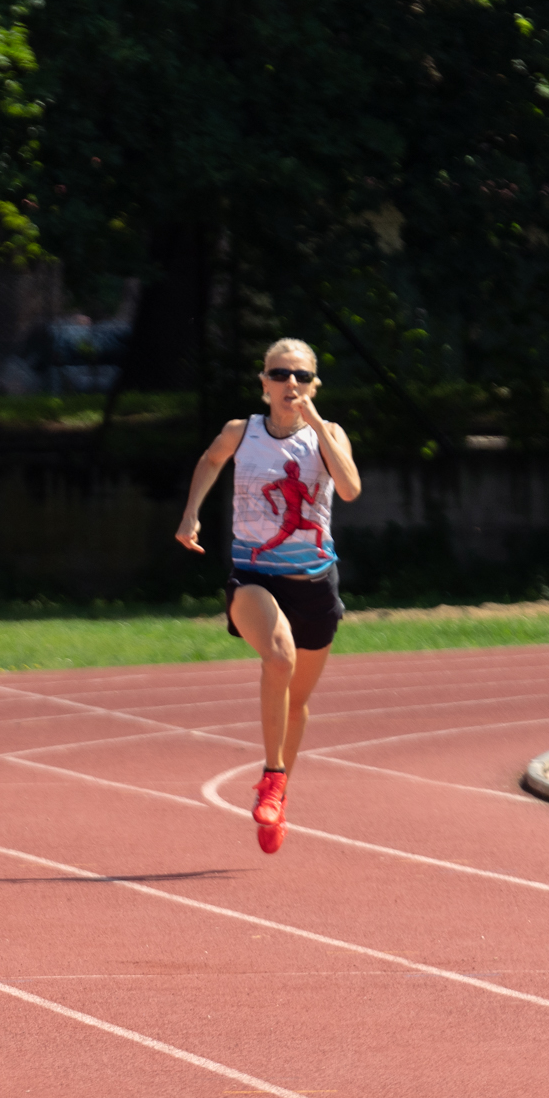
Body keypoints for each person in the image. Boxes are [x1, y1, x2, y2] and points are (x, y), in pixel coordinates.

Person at [173, 336, 364, 852]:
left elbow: (349, 489)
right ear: (264, 384)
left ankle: (279, 796)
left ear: (314, 385)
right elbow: (210, 460)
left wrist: (318, 426)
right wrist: (191, 513)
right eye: (279, 374)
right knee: (278, 657)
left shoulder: (329, 434)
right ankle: (272, 777)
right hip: (254, 577)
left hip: (315, 584)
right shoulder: (242, 432)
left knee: (296, 703)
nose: (290, 384)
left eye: (301, 376)